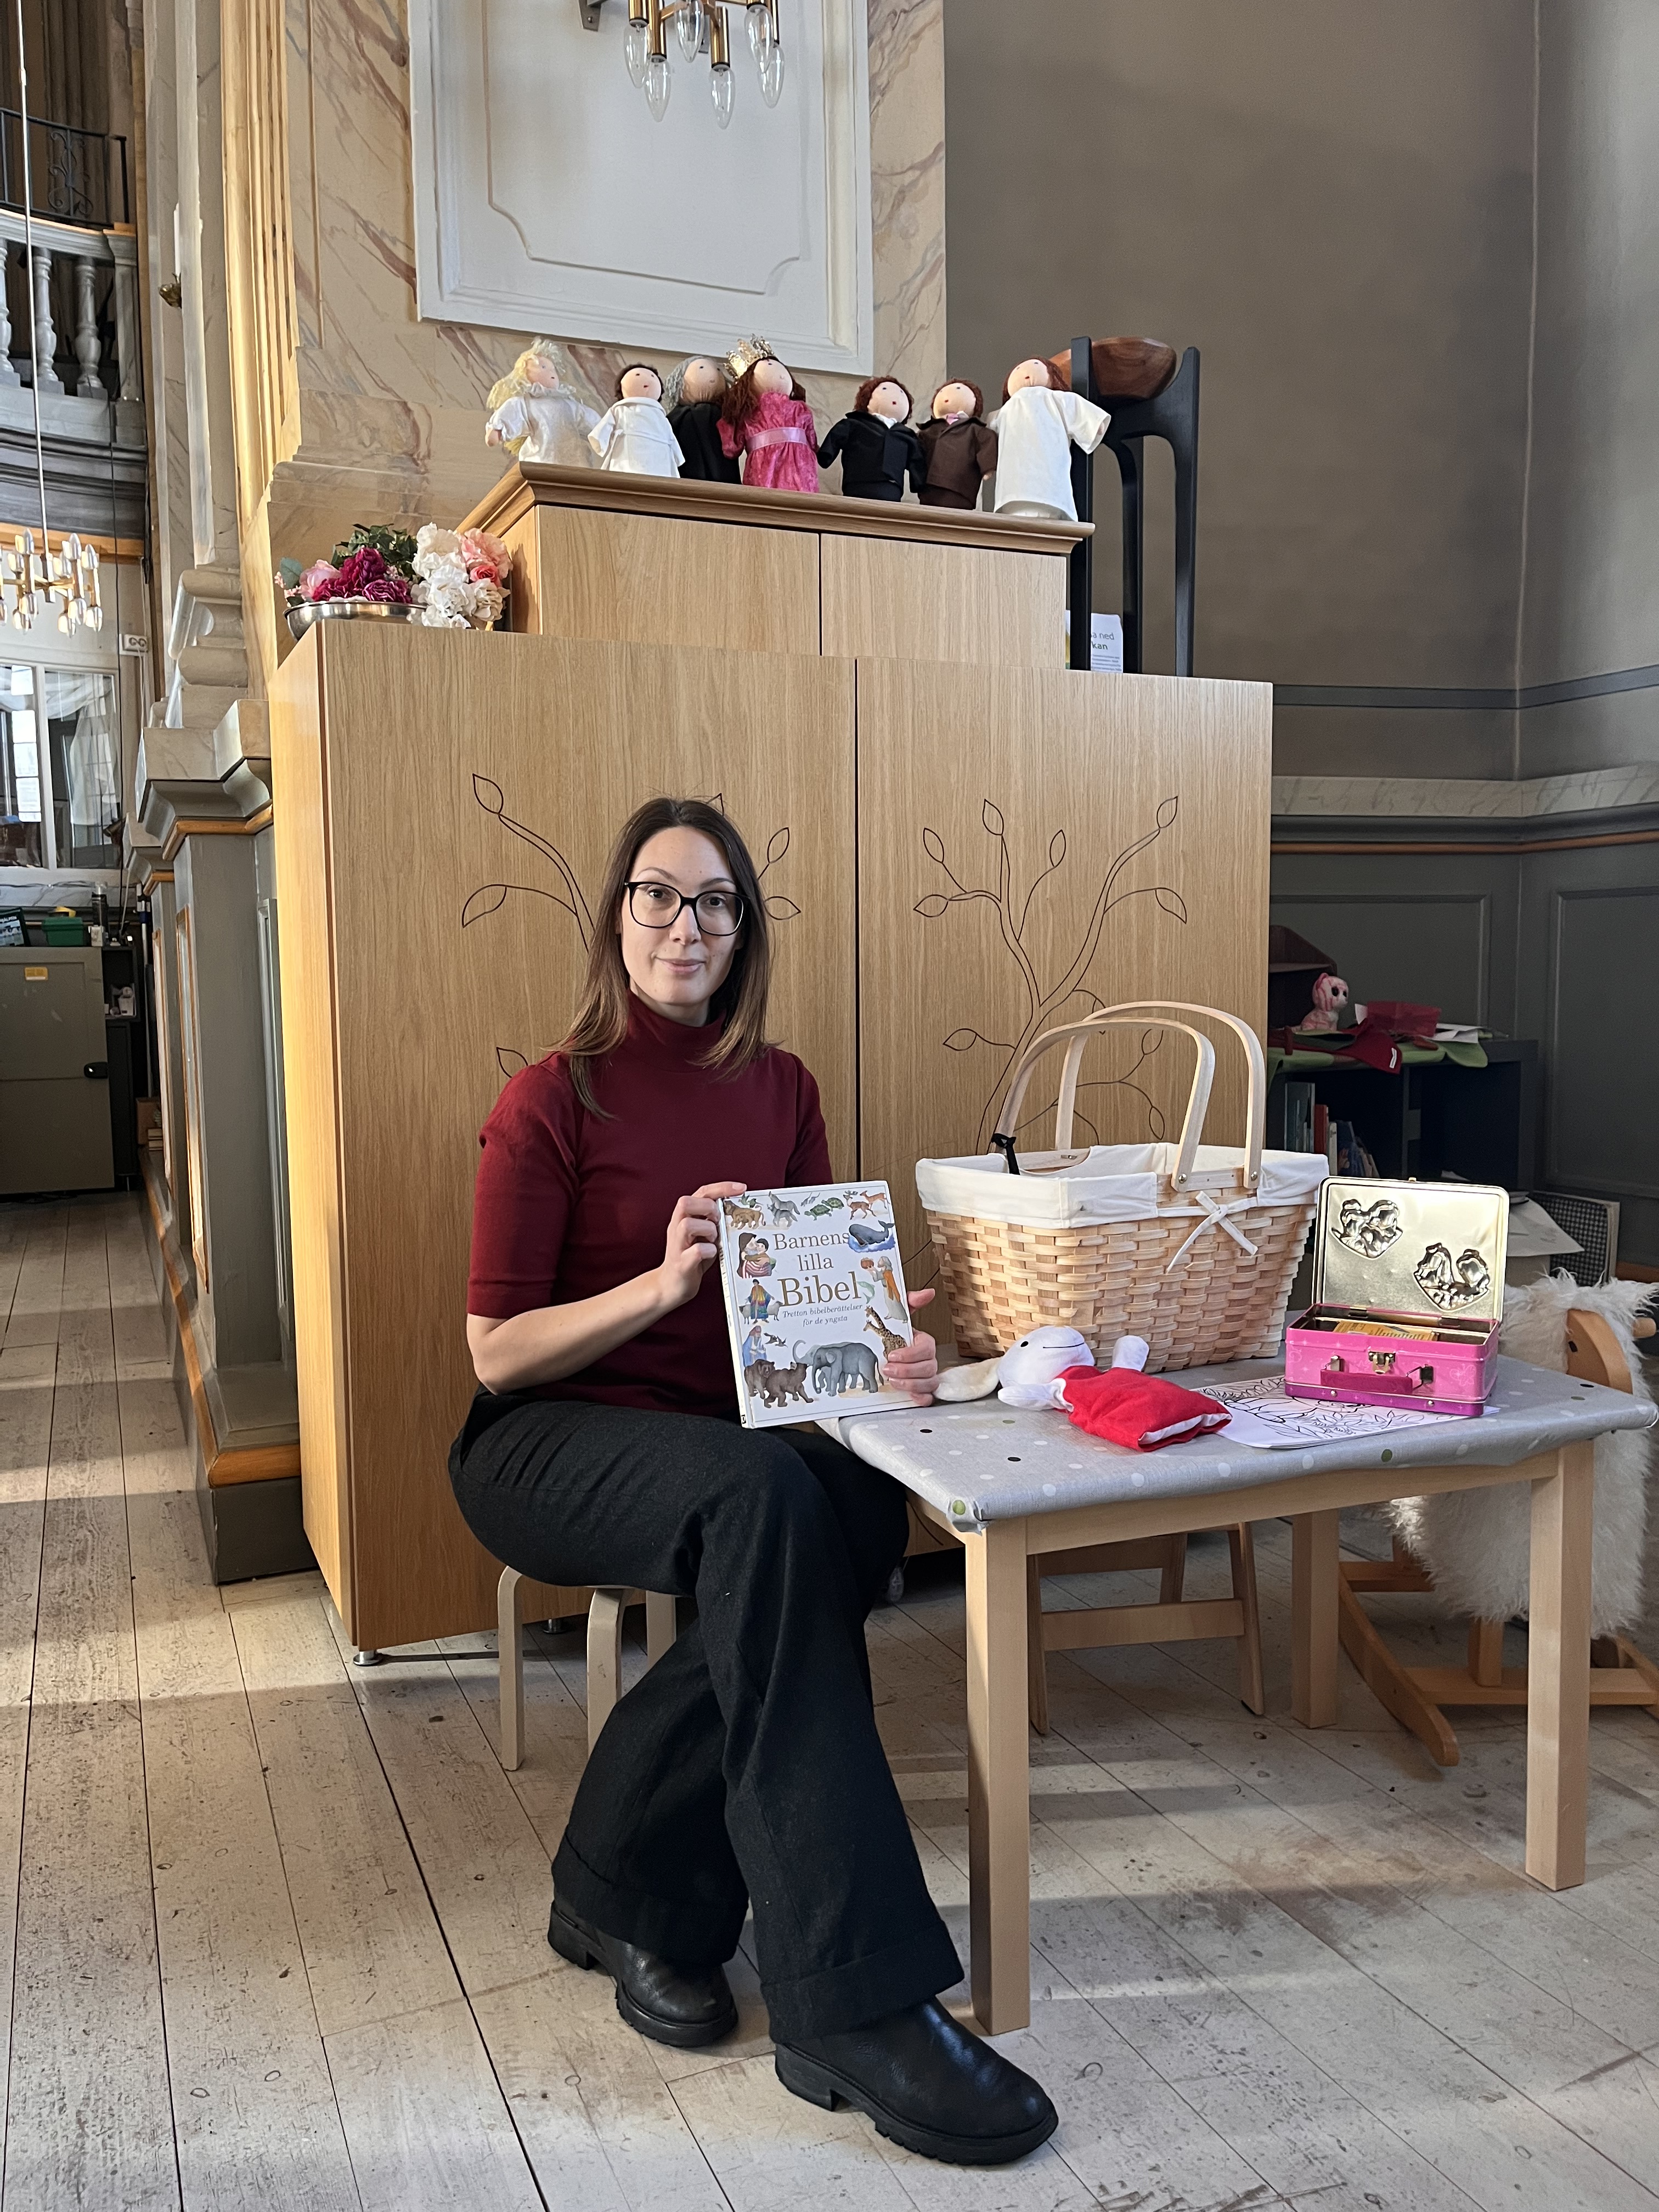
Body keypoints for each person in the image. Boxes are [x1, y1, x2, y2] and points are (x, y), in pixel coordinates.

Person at [452, 796, 1057, 2167]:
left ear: (745, 929)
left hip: (724, 1442)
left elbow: (796, 1339)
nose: (688, 925)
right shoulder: (552, 1098)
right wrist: (659, 1285)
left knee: (848, 1499)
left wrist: (876, 1346)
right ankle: (853, 1997)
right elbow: (494, 1354)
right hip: (547, 1436)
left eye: (717, 901)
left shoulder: (781, 1090)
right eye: (661, 898)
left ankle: (624, 1890)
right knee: (770, 1506)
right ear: (618, 919)